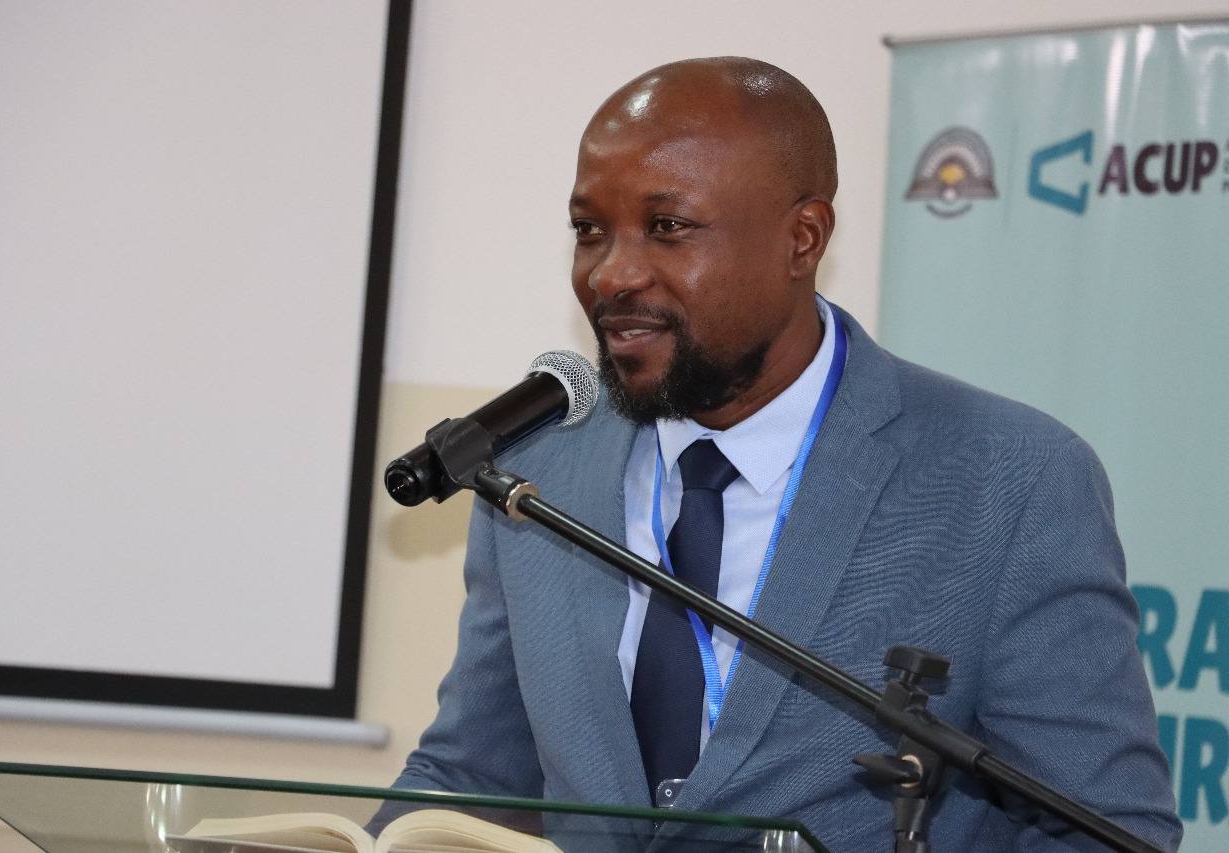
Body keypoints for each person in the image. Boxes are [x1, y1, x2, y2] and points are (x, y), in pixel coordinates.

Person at [389, 57, 1181, 851]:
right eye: (589, 230)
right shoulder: (536, 469)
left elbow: (1106, 828)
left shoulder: (1011, 479)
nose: (611, 273)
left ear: (803, 239)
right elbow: (471, 774)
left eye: (667, 227)